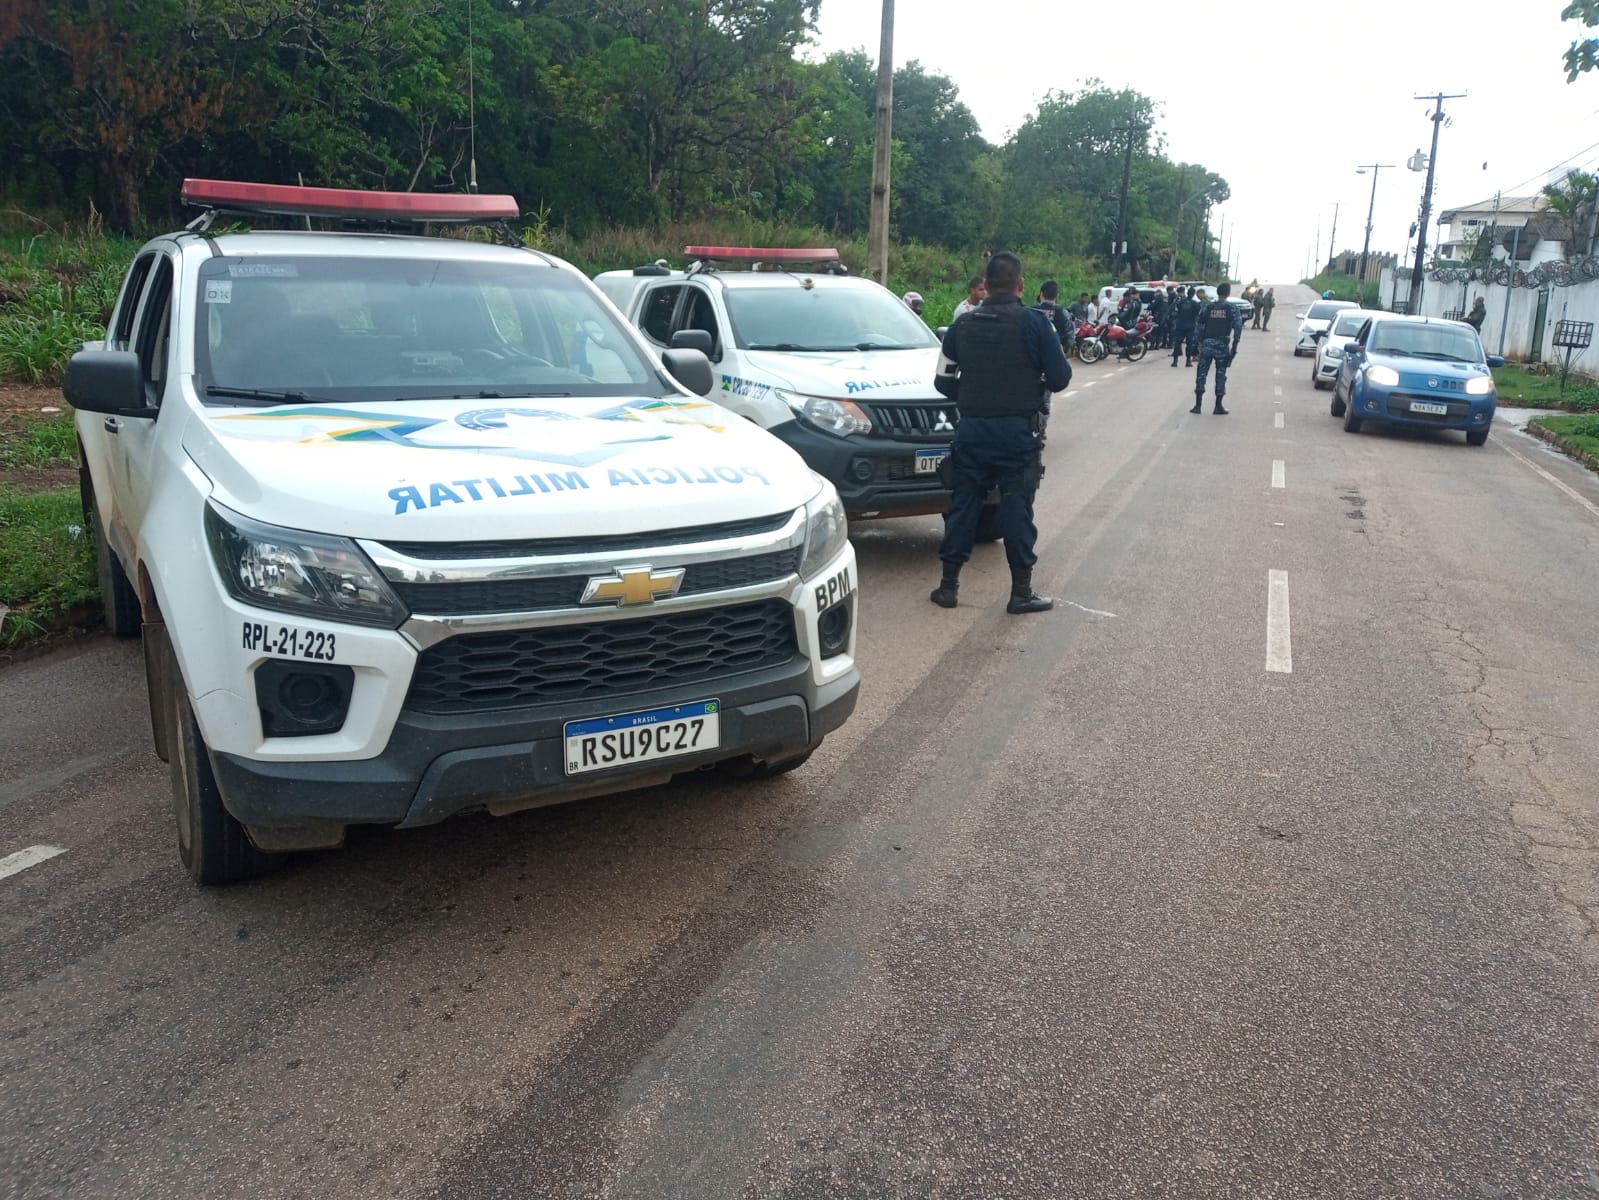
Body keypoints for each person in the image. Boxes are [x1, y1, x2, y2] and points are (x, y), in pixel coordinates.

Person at [930, 251, 1071, 615]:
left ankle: (948, 587)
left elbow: (942, 382)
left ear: (986, 285)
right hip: (1016, 435)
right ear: (1020, 285)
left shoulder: (961, 326)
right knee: (1016, 509)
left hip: (971, 431)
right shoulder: (1036, 324)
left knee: (963, 507)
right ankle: (1021, 593)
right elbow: (1060, 378)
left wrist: (974, 396)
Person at [1191, 282, 1244, 415]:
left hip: (1207, 344)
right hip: (1222, 345)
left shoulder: (1208, 307)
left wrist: (1195, 345)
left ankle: (1197, 405)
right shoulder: (1232, 308)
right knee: (1220, 374)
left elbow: (1198, 327)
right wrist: (1234, 348)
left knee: (1201, 373)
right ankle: (1218, 406)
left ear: (1217, 292)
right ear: (1228, 293)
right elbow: (1238, 328)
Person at [1032, 280, 1073, 356]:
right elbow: (1069, 334)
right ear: (1057, 295)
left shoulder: (1031, 311)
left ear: (1041, 294)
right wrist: (1065, 348)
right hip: (1055, 352)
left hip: (1034, 353)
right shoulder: (1063, 312)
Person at [1169, 285, 1200, 367]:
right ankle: (1188, 361)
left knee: (1177, 342)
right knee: (1189, 343)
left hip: (1180, 324)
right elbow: (1197, 314)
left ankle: (1175, 361)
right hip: (1190, 325)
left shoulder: (1180, 302)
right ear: (1193, 294)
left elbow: (1175, 310)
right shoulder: (1195, 304)